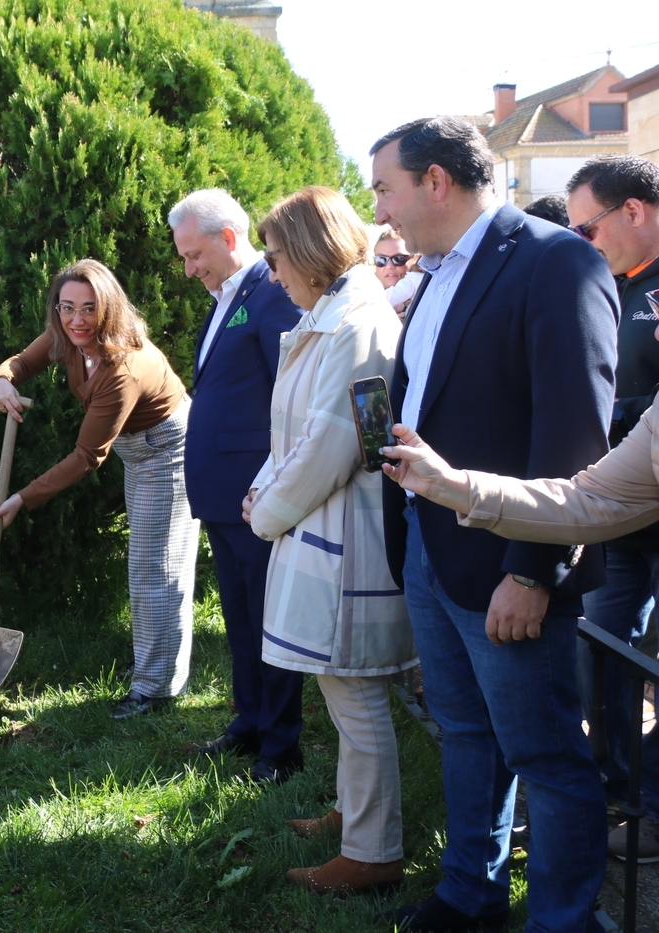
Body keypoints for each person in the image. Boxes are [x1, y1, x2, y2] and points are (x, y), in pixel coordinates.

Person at [371, 116, 617, 933]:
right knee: (467, 734)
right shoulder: (436, 275)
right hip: (432, 552)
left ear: (436, 181)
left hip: (509, 565)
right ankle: (470, 896)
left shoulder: (556, 261)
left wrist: (533, 568)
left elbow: (574, 437)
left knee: (546, 756)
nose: (380, 211)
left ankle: (560, 921)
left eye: (385, 189)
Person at [241, 187, 414, 894]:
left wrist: (267, 511)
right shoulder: (333, 313)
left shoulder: (357, 323)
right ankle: (353, 812)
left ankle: (373, 851)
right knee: (341, 688)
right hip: (321, 521)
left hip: (346, 533)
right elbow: (295, 430)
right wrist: (265, 487)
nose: (272, 271)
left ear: (311, 251)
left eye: (277, 256)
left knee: (356, 692)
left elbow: (337, 443)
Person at [0, 259, 196, 719]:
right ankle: (155, 662)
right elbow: (21, 362)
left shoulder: (124, 369)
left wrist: (22, 498)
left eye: (89, 308)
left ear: (109, 309)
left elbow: (86, 456)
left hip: (167, 450)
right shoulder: (66, 338)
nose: (77, 319)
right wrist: (1, 380)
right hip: (136, 448)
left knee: (157, 566)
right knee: (146, 562)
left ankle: (157, 688)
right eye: (67, 307)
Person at [168, 188, 307, 781]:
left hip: (256, 495)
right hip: (224, 497)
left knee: (269, 619)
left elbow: (290, 398)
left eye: (195, 254)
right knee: (241, 619)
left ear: (229, 238)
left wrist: (270, 483)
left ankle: (281, 746)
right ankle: (250, 722)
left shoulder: (270, 293)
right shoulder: (228, 297)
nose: (188, 269)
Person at [565, 154, 659, 861]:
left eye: (587, 227)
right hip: (620, 513)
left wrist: (623, 422)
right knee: (600, 649)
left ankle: (651, 810)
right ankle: (617, 789)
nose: (582, 243)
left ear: (633, 209)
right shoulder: (610, 284)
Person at [373, 229, 422, 318]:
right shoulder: (363, 293)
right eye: (381, 259)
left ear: (413, 259)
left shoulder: (422, 284)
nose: (389, 266)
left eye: (399, 258)